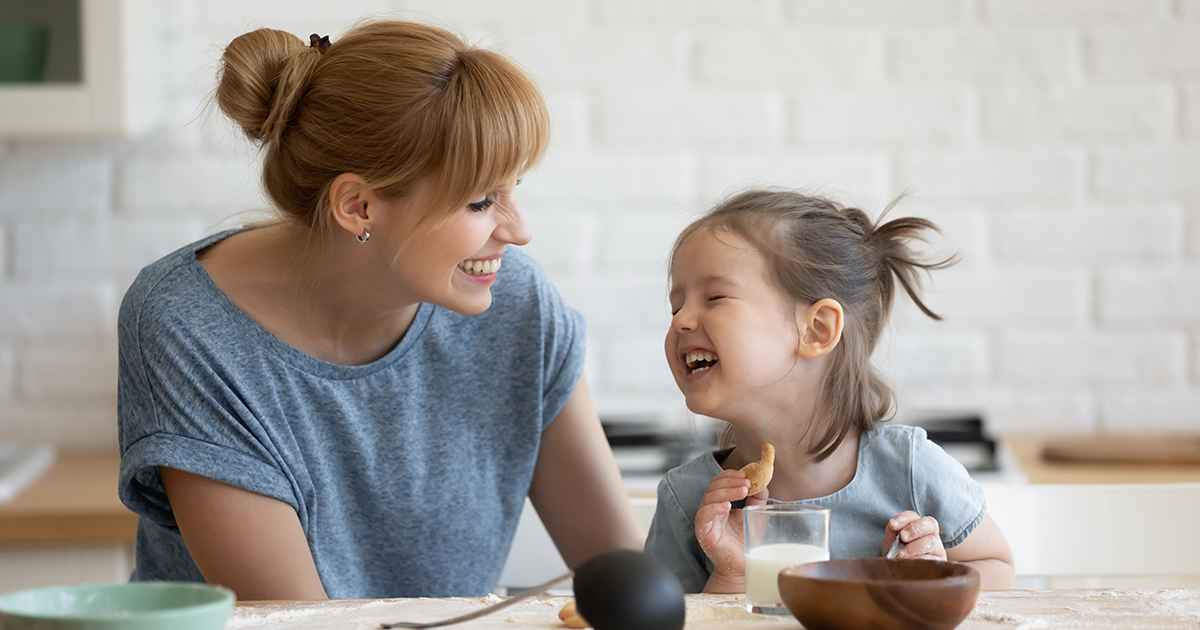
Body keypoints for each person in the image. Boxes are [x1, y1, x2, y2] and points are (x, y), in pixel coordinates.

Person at [116, 20, 642, 601]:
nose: (519, 232)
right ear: (358, 205)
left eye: (514, 187)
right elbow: (296, 620)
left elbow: (630, 579)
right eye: (479, 201)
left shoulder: (515, 302)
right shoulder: (185, 325)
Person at [643, 189, 1015, 593]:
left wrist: (929, 580)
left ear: (817, 330)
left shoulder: (909, 469)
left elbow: (997, 566)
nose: (680, 321)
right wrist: (730, 575)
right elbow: (668, 618)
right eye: (676, 306)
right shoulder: (687, 501)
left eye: (715, 297)